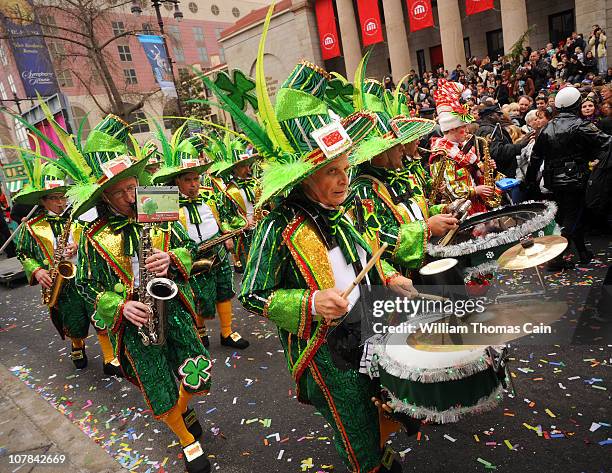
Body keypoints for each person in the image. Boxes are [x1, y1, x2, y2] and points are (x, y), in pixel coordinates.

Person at [236, 58, 415, 472]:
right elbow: (253, 294)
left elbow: (361, 254)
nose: (343, 180)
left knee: (380, 399)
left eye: (345, 169)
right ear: (303, 175)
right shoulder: (277, 226)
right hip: (324, 350)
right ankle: (367, 463)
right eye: (330, 171)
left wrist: (389, 275)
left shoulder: (340, 211)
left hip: (366, 326)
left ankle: (377, 448)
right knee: (352, 421)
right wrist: (311, 302)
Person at [52, 114, 213, 473]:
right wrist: (121, 305)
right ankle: (186, 440)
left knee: (196, 371)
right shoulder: (94, 236)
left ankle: (184, 407)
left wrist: (172, 257)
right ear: (105, 197)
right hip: (136, 322)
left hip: (172, 308)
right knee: (156, 383)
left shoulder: (159, 210)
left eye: (132, 187)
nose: (130, 196)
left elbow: (191, 248)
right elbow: (87, 285)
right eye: (120, 191)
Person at [152, 133, 250, 350]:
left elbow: (223, 217)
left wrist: (229, 231)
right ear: (176, 180)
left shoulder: (209, 196)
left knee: (225, 289)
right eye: (188, 180)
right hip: (191, 255)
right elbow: (160, 233)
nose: (194, 184)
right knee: (199, 296)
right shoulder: (166, 202)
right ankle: (200, 331)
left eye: (196, 179)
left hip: (218, 249)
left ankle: (227, 332)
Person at [526, 86, 611, 269]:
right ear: (576, 105)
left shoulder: (547, 128)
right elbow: (606, 142)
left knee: (568, 215)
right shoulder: (581, 125)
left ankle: (582, 252)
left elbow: (535, 158)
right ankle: (556, 257)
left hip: (553, 181)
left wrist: (530, 181)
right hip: (576, 179)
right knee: (572, 217)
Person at [429, 80, 500, 215]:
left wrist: (486, 168)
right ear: (452, 129)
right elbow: (450, 189)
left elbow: (475, 172)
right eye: (463, 127)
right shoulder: (442, 153)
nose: (467, 130)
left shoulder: (464, 147)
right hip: (459, 210)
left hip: (475, 204)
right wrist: (475, 190)